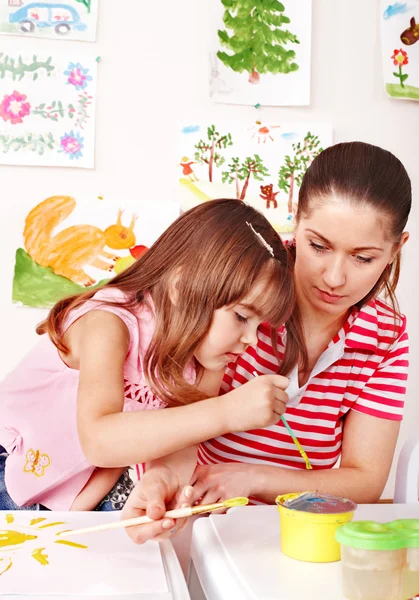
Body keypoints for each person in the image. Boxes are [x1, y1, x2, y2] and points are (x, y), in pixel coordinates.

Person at [121, 141, 411, 543]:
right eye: (318, 246)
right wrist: (164, 477)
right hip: (201, 523)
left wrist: (254, 478)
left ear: (397, 248)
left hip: (296, 535)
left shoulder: (388, 334)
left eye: (363, 258)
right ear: (294, 219)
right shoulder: (242, 294)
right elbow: (186, 420)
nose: (334, 278)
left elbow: (365, 480)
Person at [0, 199, 304, 512]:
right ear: (182, 285)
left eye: (259, 325)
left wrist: (160, 478)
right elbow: (98, 440)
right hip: (11, 466)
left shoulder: (207, 355)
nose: (251, 339)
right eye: (241, 317)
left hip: (73, 495)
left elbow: (181, 440)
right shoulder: (109, 324)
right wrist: (225, 412)